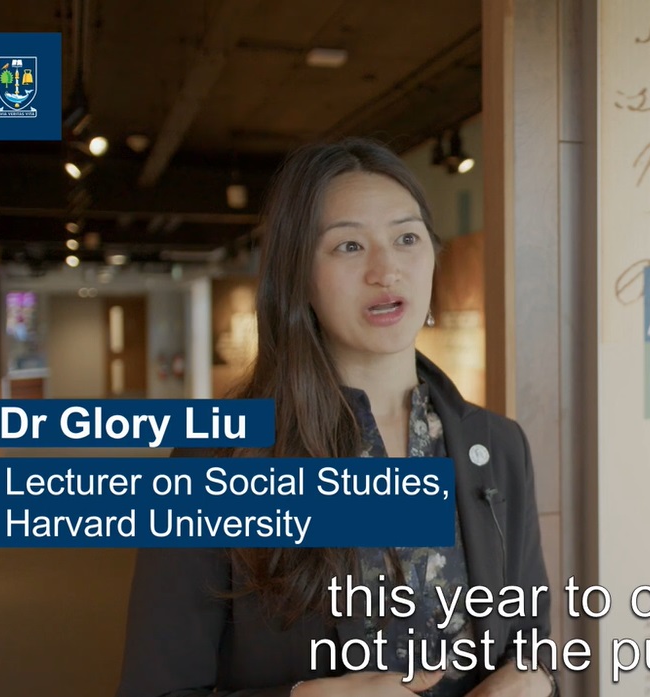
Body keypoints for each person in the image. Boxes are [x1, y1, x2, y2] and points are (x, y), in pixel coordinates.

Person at [115, 138, 556, 697]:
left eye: (406, 238)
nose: (386, 269)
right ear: (298, 276)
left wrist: (532, 680)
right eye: (348, 246)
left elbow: (532, 640)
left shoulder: (498, 445)